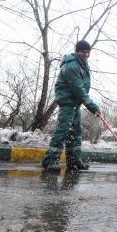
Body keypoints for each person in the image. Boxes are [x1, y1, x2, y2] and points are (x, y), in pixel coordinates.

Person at [42, 40, 101, 173]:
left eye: (88, 52)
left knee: (75, 132)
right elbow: (78, 89)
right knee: (63, 130)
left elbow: (82, 88)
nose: (86, 54)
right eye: (83, 52)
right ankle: (50, 161)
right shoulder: (72, 66)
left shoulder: (83, 64)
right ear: (77, 51)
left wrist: (88, 104)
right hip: (68, 102)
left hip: (75, 102)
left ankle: (73, 161)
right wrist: (93, 107)